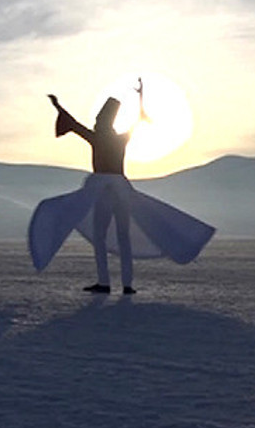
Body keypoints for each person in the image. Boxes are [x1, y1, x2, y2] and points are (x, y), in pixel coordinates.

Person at [28, 83, 215, 295]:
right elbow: (137, 121)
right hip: (122, 190)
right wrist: (141, 100)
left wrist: (57, 106)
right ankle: (127, 285)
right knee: (123, 236)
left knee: (100, 237)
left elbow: (74, 124)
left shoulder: (98, 137)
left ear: (103, 122)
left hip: (103, 190)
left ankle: (104, 283)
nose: (97, 122)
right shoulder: (121, 139)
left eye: (99, 120)